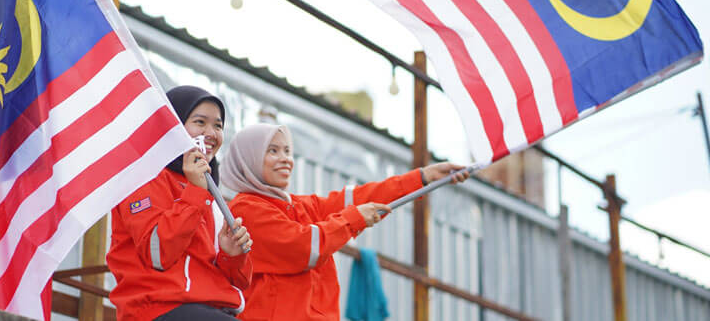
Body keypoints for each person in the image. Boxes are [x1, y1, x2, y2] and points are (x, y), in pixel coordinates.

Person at [220, 123, 469, 321]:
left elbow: (356, 199)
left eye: (287, 151)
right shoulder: (245, 209)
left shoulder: (298, 205)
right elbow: (303, 247)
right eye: (272, 151)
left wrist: (423, 176)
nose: (285, 158)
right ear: (248, 158)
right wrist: (353, 218)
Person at [107, 85, 254, 321]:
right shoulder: (143, 177)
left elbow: (241, 282)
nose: (211, 133)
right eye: (199, 122)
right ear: (172, 125)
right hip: (158, 309)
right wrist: (195, 193)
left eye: (218, 125)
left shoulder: (212, 195)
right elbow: (157, 254)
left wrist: (231, 255)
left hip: (212, 310)